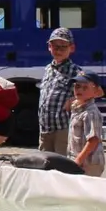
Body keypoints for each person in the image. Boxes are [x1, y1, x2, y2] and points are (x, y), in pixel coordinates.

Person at [36, 28, 83, 156]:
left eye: (63, 47)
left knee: (62, 167)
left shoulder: (76, 72)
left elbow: (92, 94)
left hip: (63, 129)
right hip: (45, 128)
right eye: (55, 46)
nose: (59, 50)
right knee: (45, 166)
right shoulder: (48, 69)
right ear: (49, 47)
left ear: (71, 48)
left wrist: (74, 101)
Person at [67, 73, 106, 177]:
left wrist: (78, 160)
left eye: (85, 87)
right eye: (77, 86)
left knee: (89, 191)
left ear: (95, 91)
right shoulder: (77, 108)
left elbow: (93, 140)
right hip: (78, 159)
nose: (79, 90)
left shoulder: (90, 112)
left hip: (89, 163)